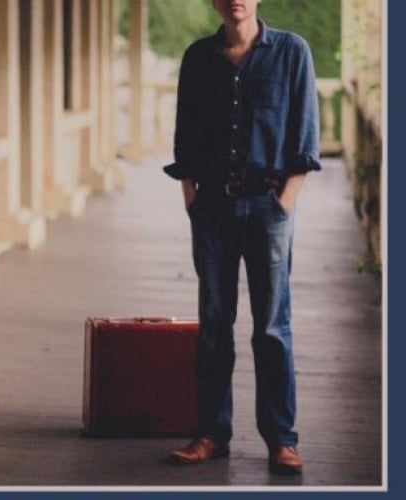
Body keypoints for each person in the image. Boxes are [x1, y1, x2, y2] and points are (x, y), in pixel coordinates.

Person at [163, 0, 321, 474]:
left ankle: (281, 439)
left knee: (272, 326)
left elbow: (305, 134)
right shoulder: (197, 57)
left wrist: (285, 202)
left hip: (269, 207)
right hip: (212, 209)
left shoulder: (292, 53)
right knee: (214, 325)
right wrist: (191, 197)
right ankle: (211, 433)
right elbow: (185, 133)